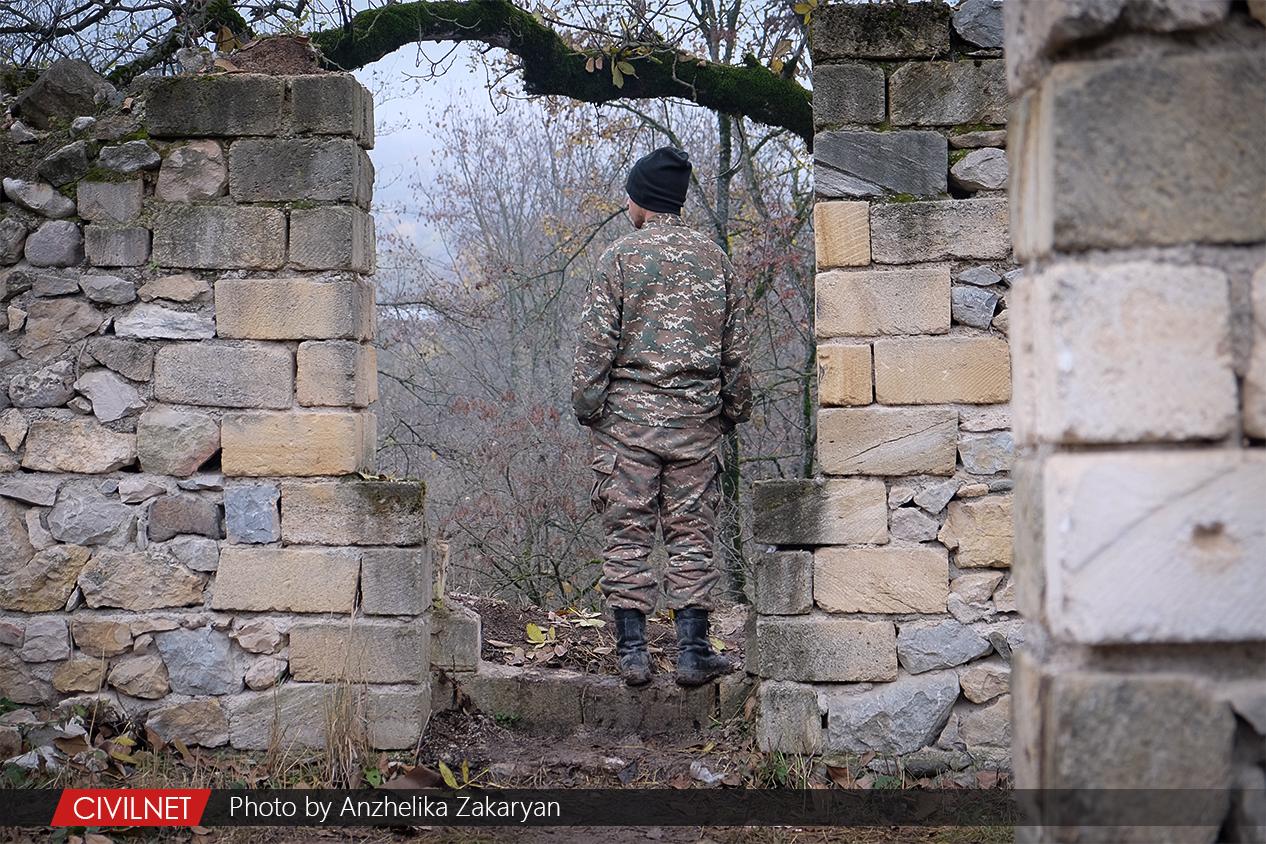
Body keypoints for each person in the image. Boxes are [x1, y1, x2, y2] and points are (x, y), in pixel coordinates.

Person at [572, 146, 752, 688]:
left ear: (642, 199)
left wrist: (589, 409)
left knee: (627, 531)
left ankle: (633, 654)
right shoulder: (714, 259)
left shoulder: (618, 259)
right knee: (692, 533)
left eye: (630, 192)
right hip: (696, 426)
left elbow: (593, 350)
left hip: (626, 427)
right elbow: (736, 352)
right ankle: (693, 653)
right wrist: (732, 413)